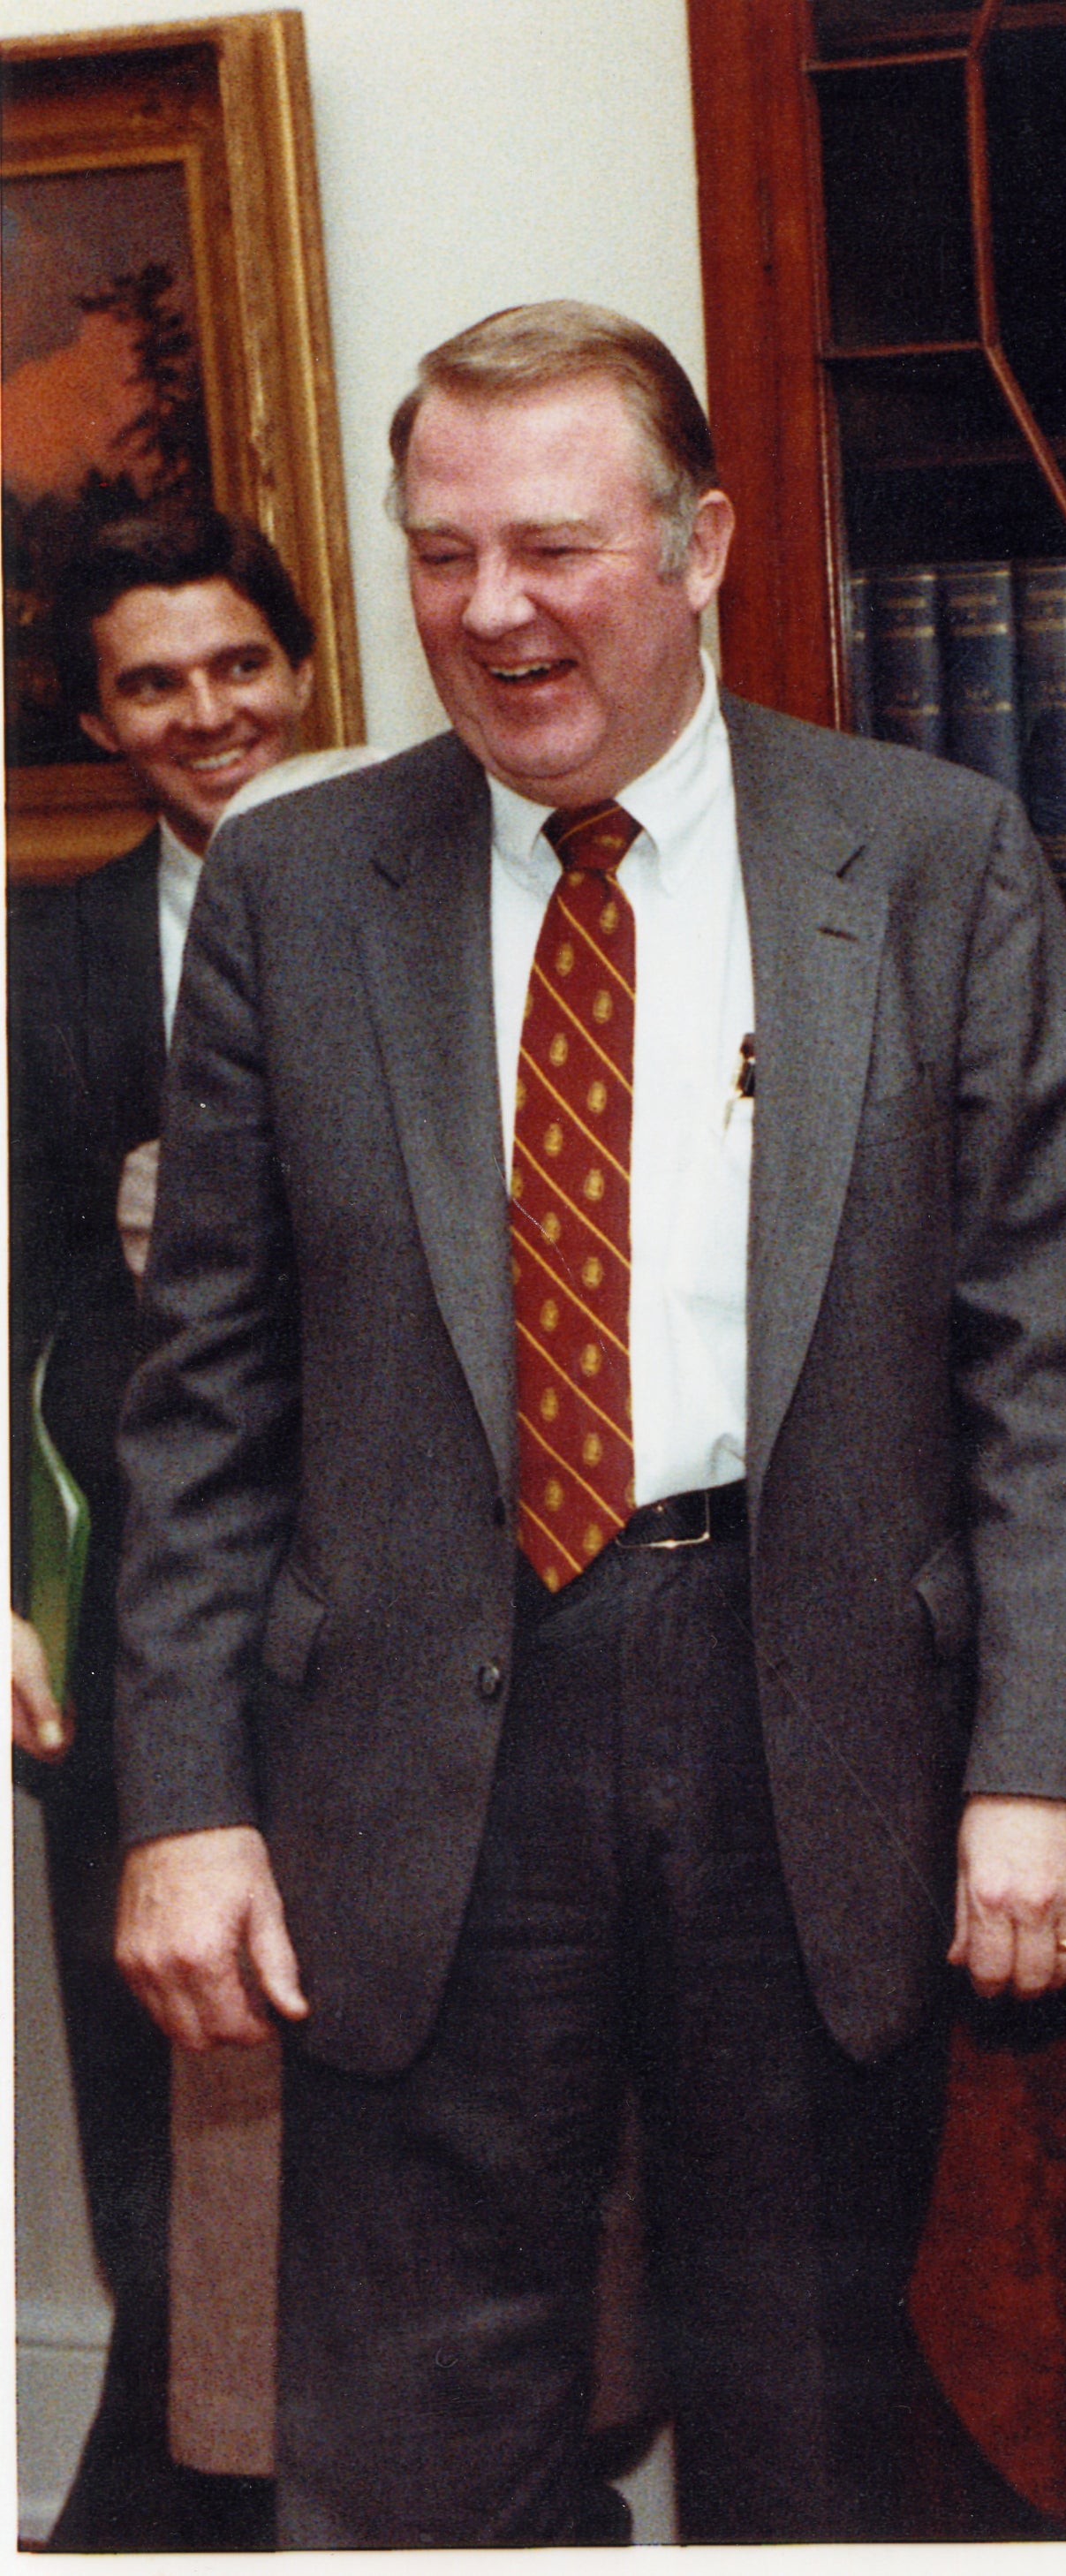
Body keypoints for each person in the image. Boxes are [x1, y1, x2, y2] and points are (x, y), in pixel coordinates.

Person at [110, 300, 1066, 2548]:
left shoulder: (928, 857)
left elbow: (1041, 1366)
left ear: (702, 546)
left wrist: (1044, 1766)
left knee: (813, 2428)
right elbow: (206, 1405)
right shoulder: (298, 886)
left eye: (556, 548)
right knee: (417, 2450)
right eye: (443, 553)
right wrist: (182, 1802)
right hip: (417, 1747)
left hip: (810, 1723)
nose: (495, 611)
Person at [11, 507, 316, 2549]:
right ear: (100, 721)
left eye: (236, 665)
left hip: (399, 1600)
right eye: (153, 684)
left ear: (298, 667)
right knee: (161, 2102)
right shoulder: (33, 965)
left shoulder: (450, 887)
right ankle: (175, 2506)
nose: (206, 714)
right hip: (131, 1605)